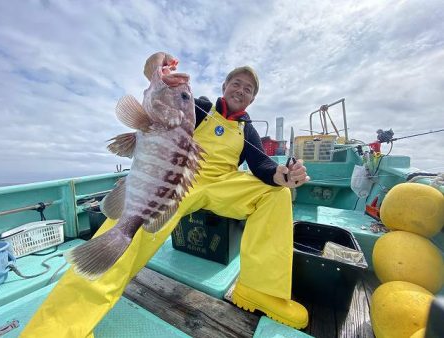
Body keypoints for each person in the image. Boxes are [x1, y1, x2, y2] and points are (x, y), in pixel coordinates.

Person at [21, 52, 310, 337]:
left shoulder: (248, 129)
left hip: (224, 183)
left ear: (252, 99)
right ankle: (59, 327)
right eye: (236, 83)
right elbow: (159, 87)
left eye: (248, 89)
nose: (241, 90)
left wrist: (282, 175)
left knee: (277, 195)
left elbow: (261, 165)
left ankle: (258, 290)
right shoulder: (198, 107)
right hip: (181, 178)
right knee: (128, 227)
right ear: (224, 87)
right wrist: (157, 67)